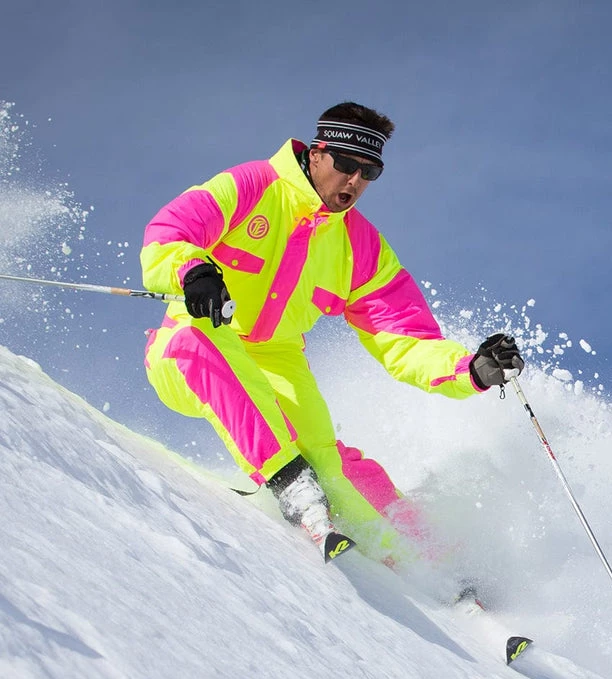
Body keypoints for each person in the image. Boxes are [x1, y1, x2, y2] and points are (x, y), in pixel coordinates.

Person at [140, 101, 524, 563]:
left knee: (328, 459)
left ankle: (436, 564)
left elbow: (405, 337)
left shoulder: (359, 246)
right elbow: (171, 231)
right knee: (203, 347)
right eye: (345, 164)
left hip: (278, 359)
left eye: (369, 172)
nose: (355, 181)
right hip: (194, 343)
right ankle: (293, 486)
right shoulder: (253, 185)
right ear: (317, 153)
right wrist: (193, 271)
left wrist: (470, 369)